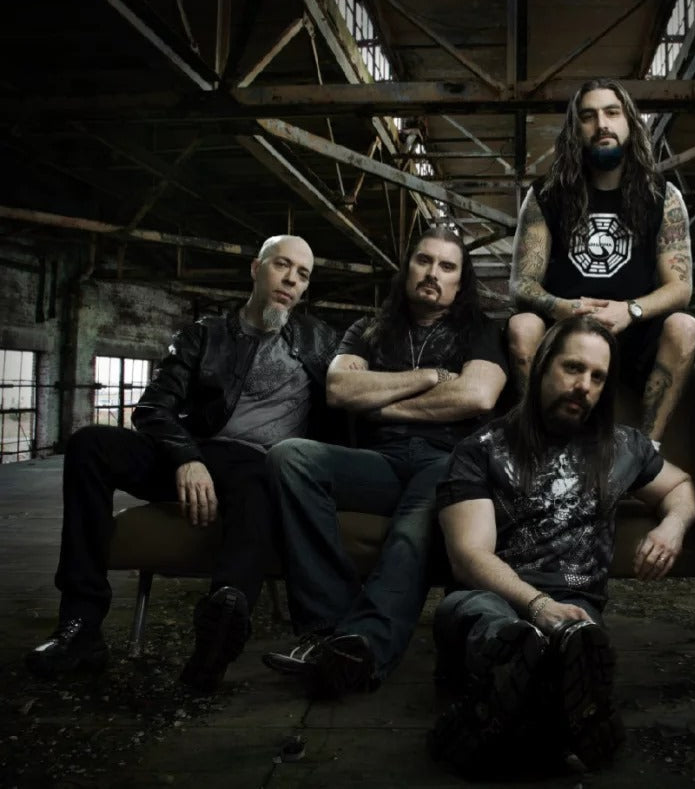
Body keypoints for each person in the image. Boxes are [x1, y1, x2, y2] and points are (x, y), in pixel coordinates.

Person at [26, 235, 341, 692]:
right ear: (256, 269)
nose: (291, 280)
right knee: (90, 444)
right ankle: (80, 627)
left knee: (259, 473)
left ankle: (217, 639)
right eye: (282, 266)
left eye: (303, 275)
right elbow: (153, 407)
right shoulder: (205, 334)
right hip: (194, 452)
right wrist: (187, 457)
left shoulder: (319, 341)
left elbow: (355, 393)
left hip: (257, 467)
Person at [430, 316, 695, 776]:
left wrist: (673, 525)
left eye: (597, 377)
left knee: (577, 639)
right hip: (490, 598)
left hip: (575, 605)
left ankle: (498, 723)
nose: (584, 386)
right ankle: (547, 718)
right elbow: (469, 555)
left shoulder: (623, 447)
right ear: (540, 368)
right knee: (496, 626)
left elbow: (681, 487)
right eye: (573, 368)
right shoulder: (482, 449)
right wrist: (535, 605)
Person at [262, 226, 508, 698]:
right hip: (382, 463)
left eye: (447, 266)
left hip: (451, 463)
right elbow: (339, 389)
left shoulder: (480, 330)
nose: (432, 273)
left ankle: (364, 649)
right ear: (407, 269)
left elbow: (477, 394)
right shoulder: (367, 330)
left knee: (414, 523)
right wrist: (430, 378)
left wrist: (381, 402)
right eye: (423, 261)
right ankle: (327, 629)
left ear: (460, 282)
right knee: (290, 458)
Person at [507, 78, 695, 444]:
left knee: (684, 326)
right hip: (566, 332)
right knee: (522, 326)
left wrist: (631, 311)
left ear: (630, 121)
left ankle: (646, 449)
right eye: (588, 116)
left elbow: (681, 287)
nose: (602, 125)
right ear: (575, 129)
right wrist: (563, 307)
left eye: (612, 112)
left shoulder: (662, 195)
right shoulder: (546, 194)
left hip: (634, 332)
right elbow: (521, 285)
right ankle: (538, 443)